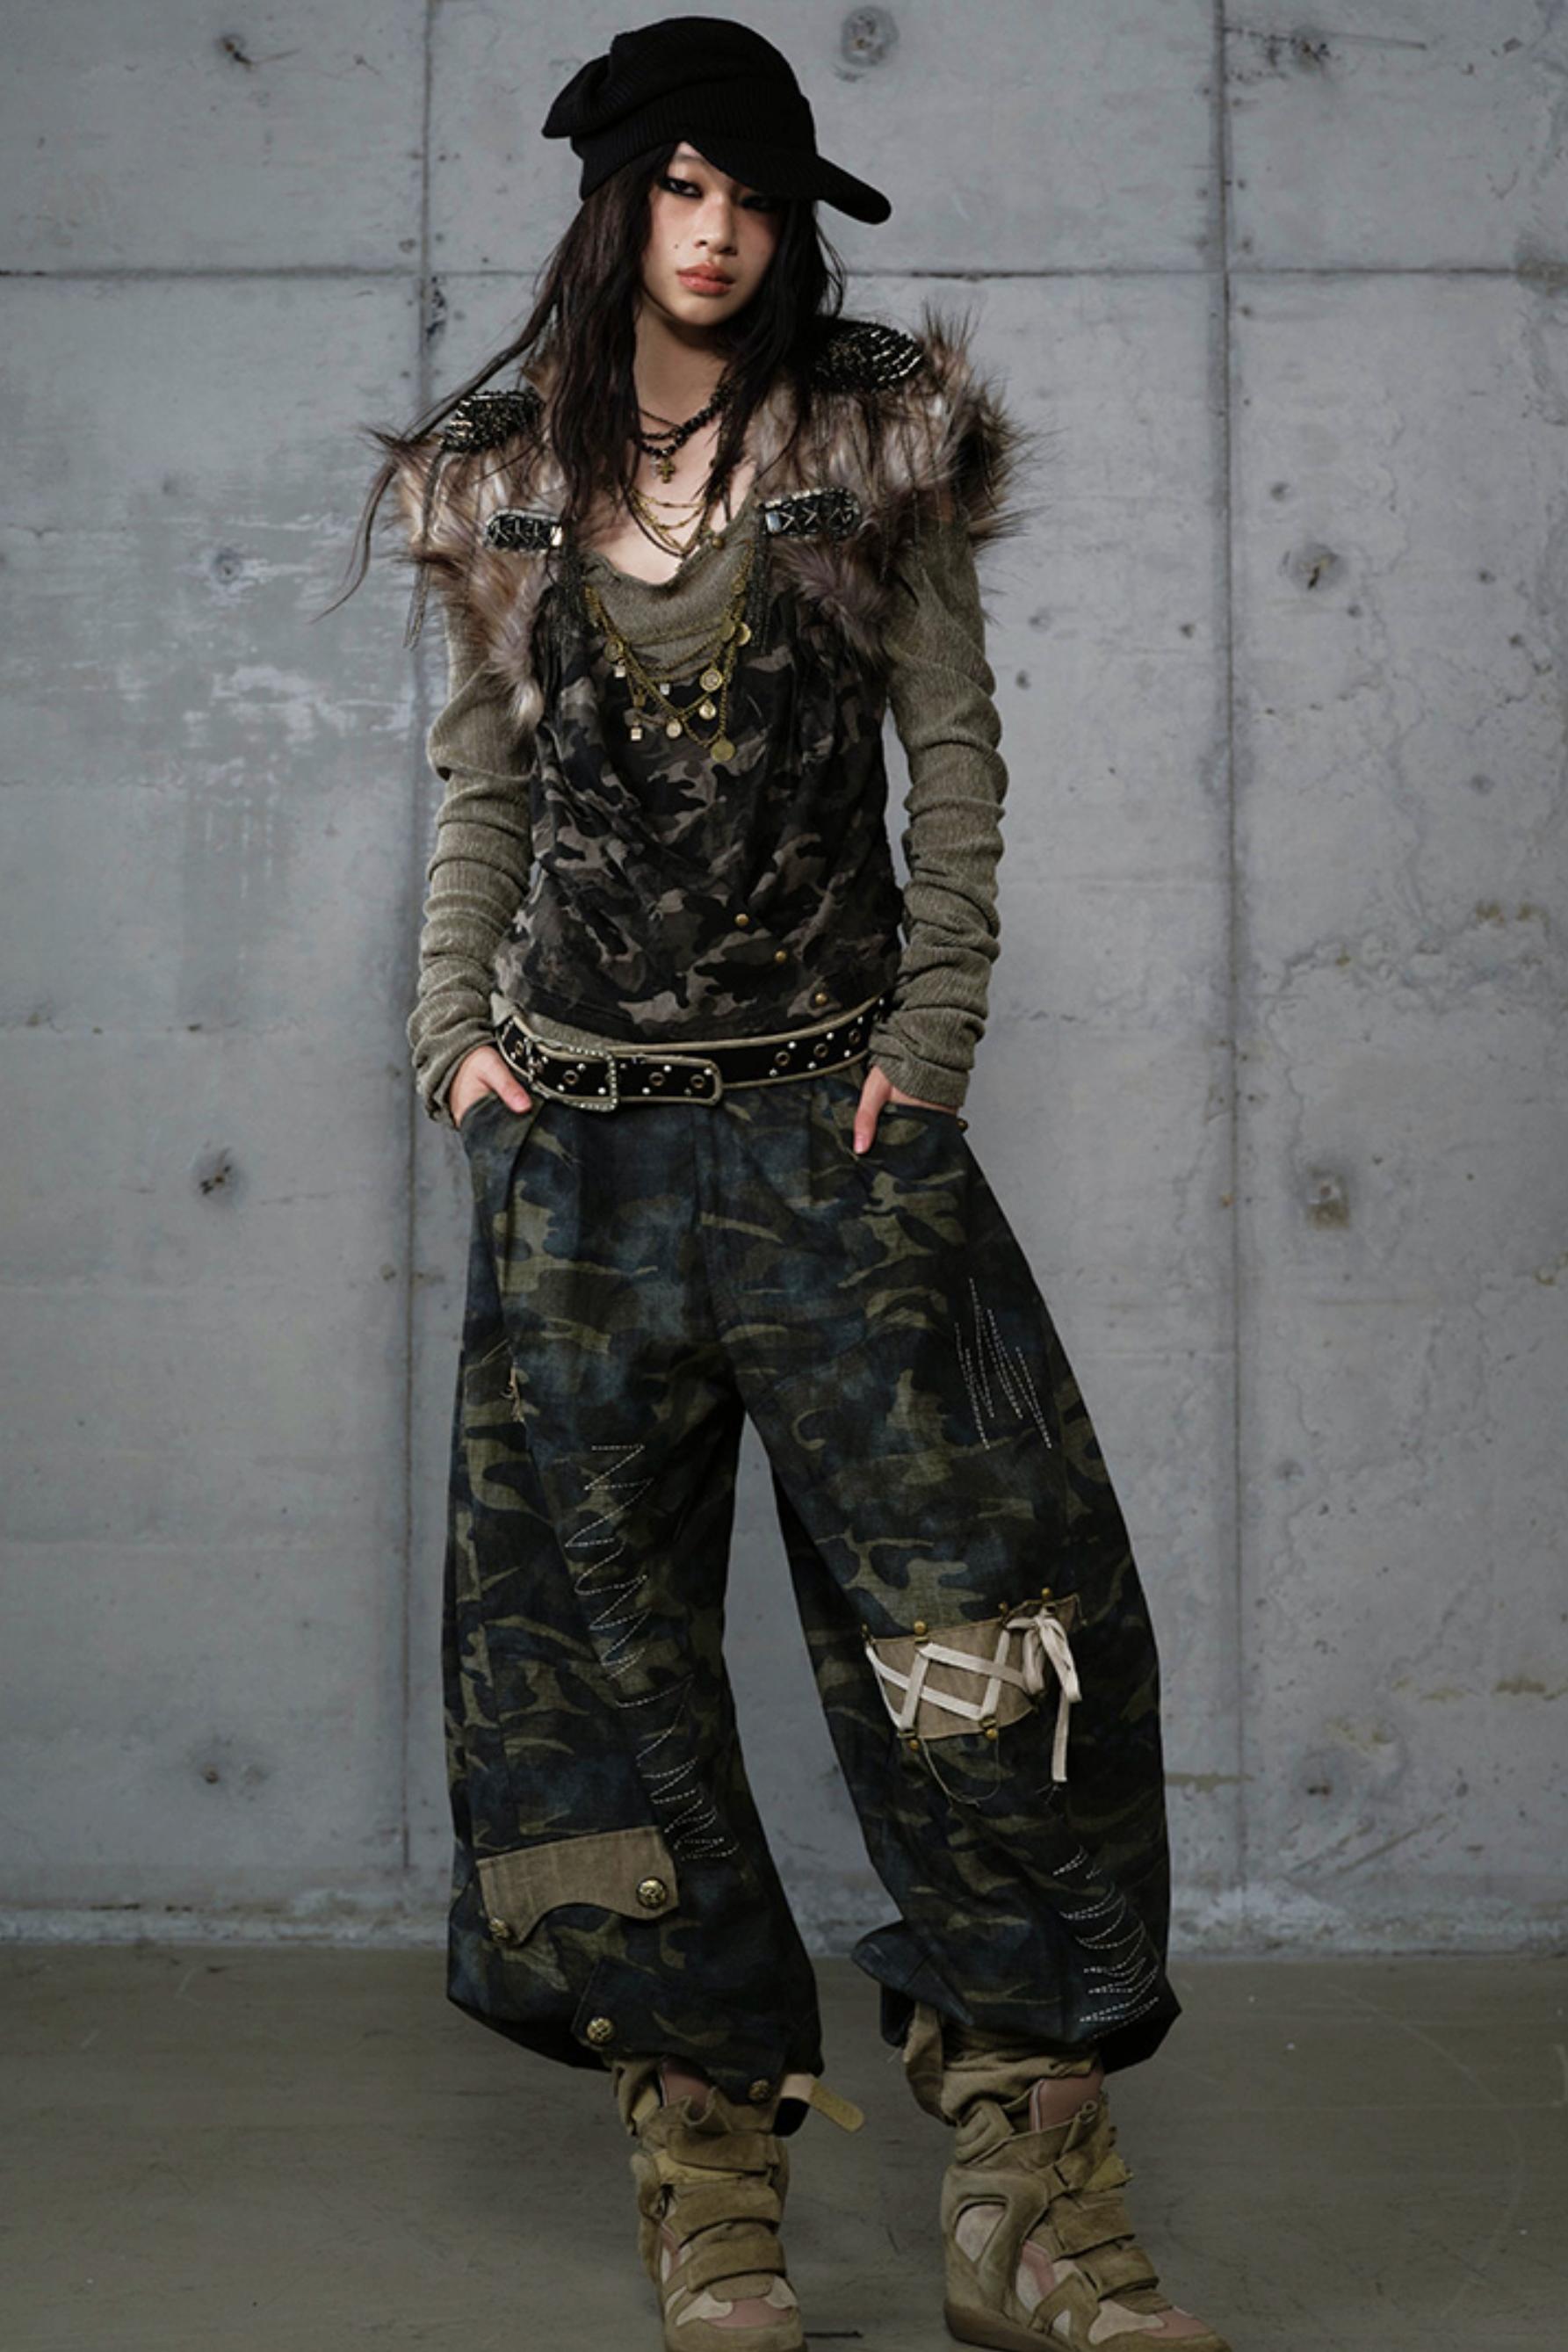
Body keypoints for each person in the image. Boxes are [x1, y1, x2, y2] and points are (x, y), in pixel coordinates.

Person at [331, 18, 1230, 2352]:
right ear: (617, 204)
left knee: (985, 1647)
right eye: (683, 189)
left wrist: (927, 1051)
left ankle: (1031, 2206)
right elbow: (483, 789)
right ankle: (706, 2170)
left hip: (837, 1148)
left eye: (756, 196)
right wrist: (449, 1042)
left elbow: (957, 753)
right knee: (588, 1673)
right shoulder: (500, 477)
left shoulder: (868, 441)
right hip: (580, 1170)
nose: (719, 234)